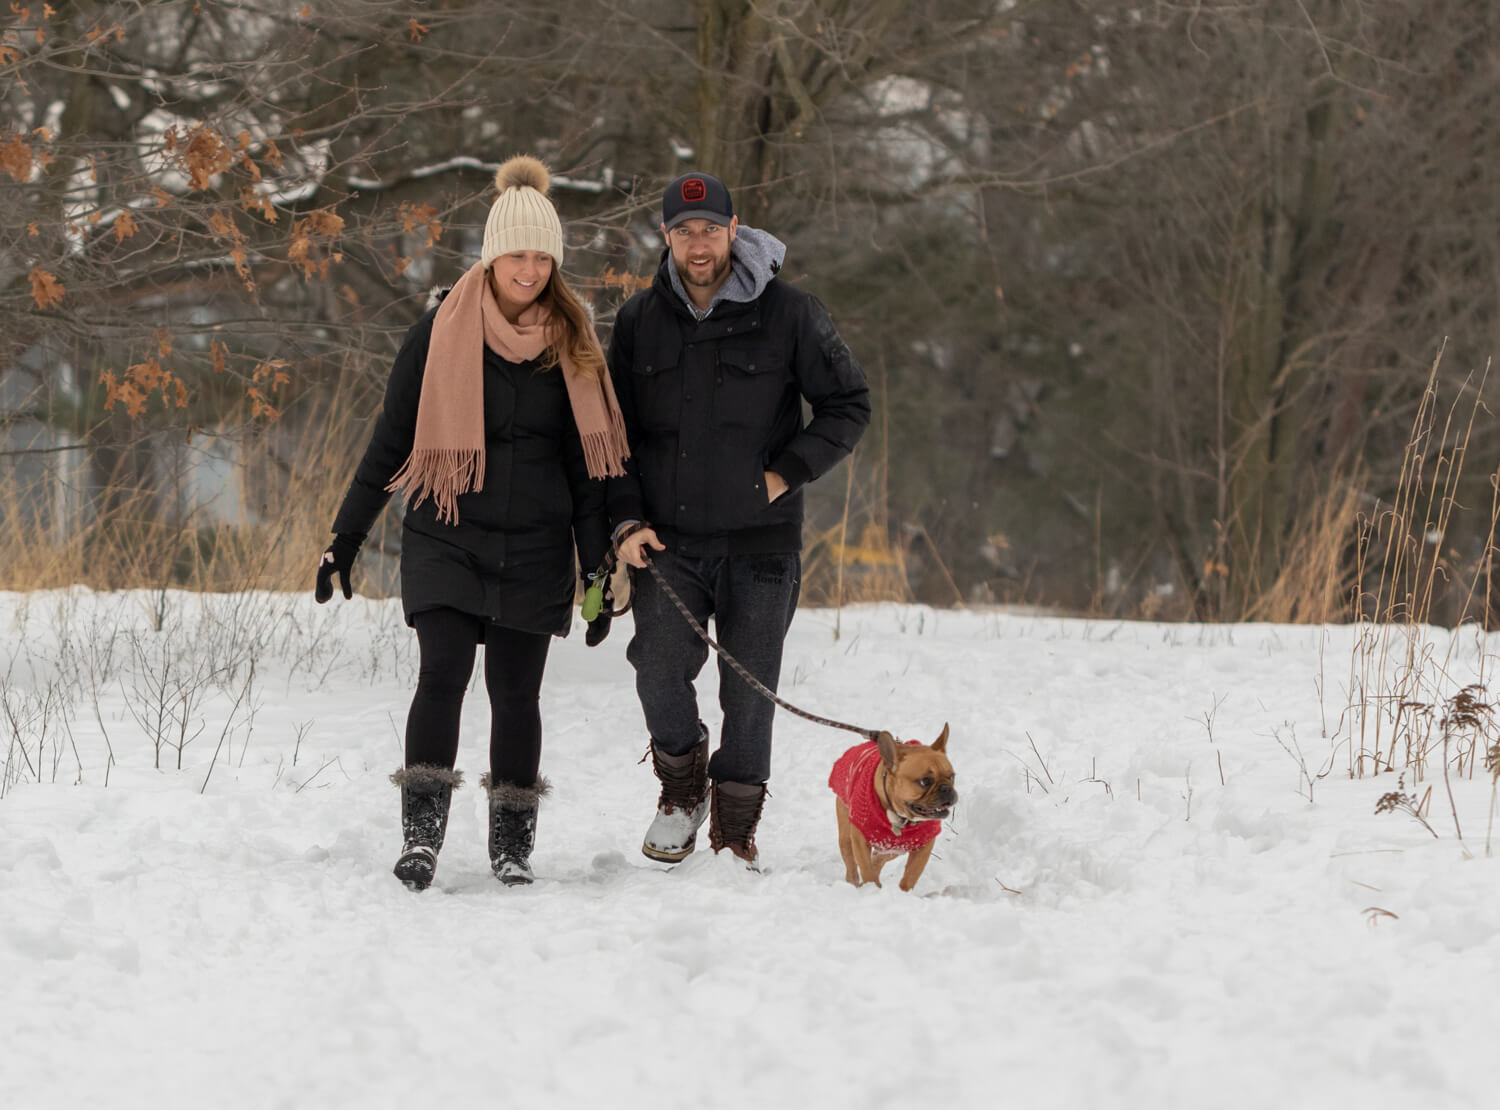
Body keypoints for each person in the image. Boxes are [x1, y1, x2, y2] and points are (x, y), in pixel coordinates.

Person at [316, 156, 629, 891]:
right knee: (444, 674)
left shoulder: (574, 343)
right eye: (517, 254)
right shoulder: (440, 333)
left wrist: (595, 570)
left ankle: (511, 847)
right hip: (447, 531)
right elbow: (391, 443)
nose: (530, 269)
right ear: (491, 256)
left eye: (542, 256)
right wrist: (345, 539)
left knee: (517, 694)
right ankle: (421, 838)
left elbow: (590, 471)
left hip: (536, 546)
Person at [607, 171, 871, 868]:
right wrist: (626, 522)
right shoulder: (638, 322)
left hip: (762, 543)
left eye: (711, 229)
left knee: (749, 691)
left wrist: (785, 475)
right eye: (684, 230)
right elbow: (614, 435)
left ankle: (734, 830)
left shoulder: (792, 313)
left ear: (734, 229)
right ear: (665, 236)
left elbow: (849, 404)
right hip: (668, 538)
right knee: (658, 671)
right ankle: (682, 784)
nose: (699, 244)